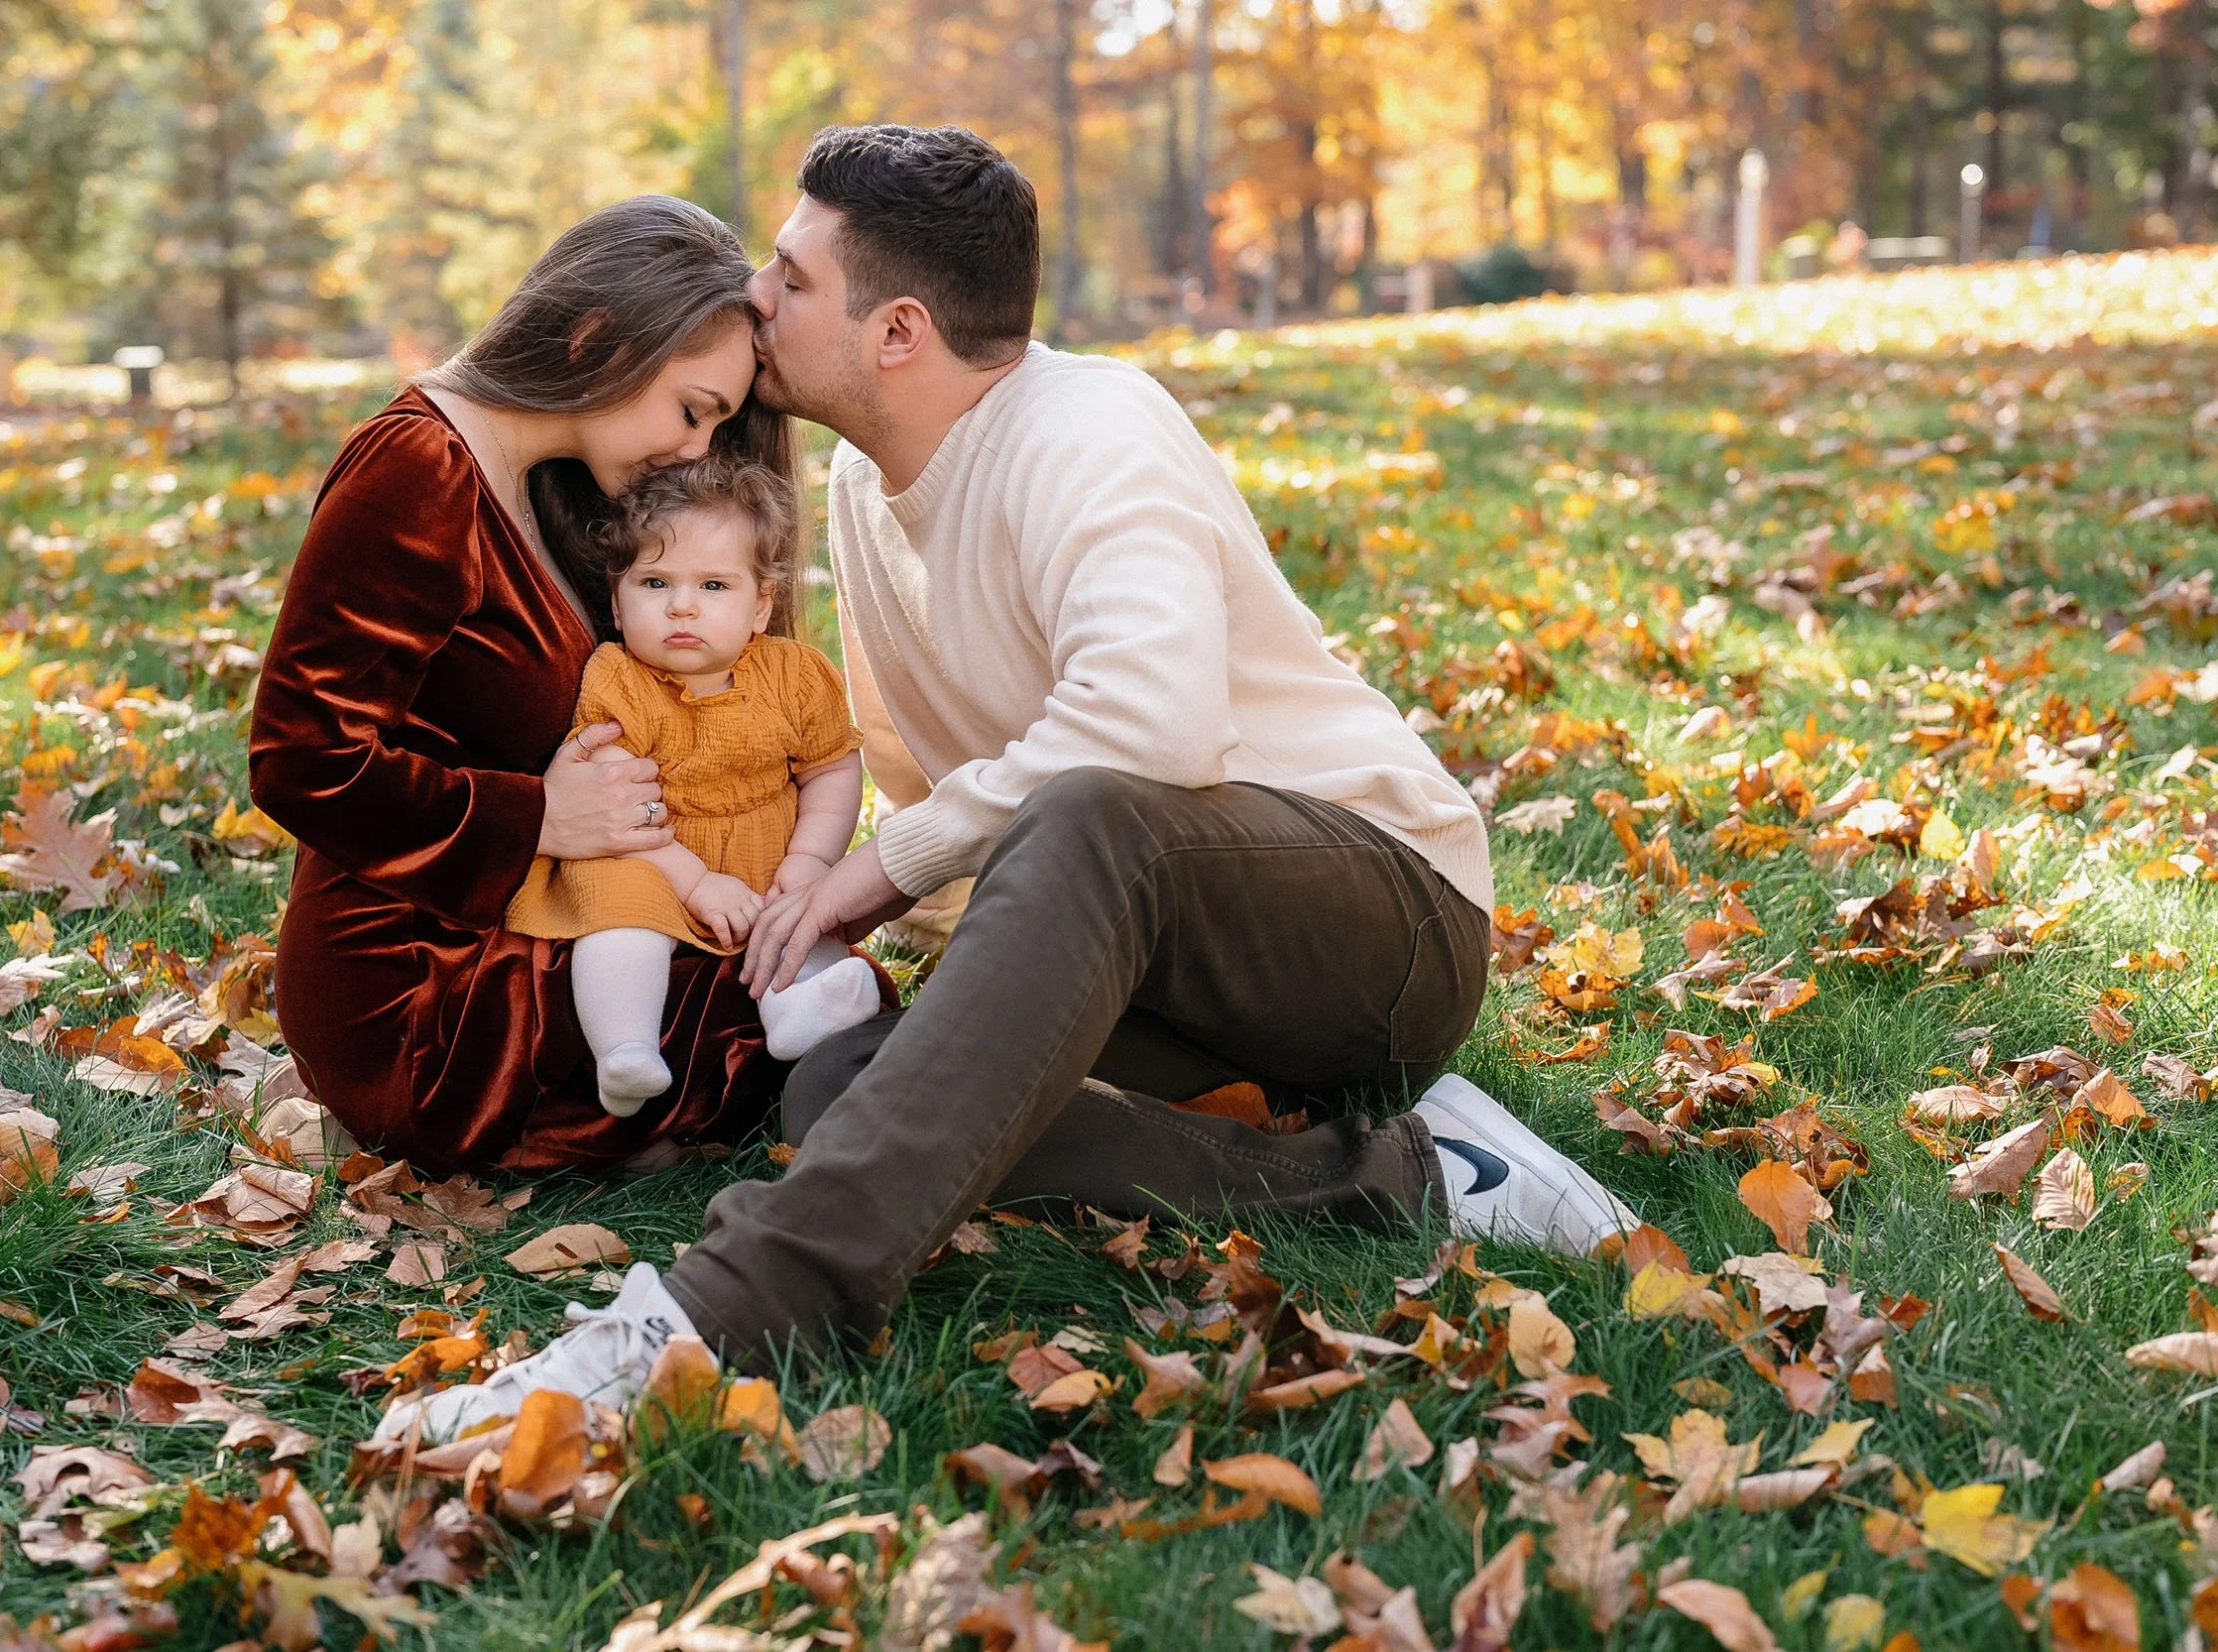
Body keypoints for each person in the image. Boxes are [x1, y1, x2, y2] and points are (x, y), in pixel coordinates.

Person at [375, 127, 1636, 1443]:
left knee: (1091, 805)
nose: (756, 295)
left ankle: (716, 1317)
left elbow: (1152, 728)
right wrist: (855, 942)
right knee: (850, 1084)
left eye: (794, 277)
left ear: (899, 330)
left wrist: (883, 864)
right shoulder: (868, 481)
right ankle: (1418, 1175)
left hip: (1378, 921)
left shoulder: (1089, 428)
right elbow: (920, 771)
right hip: (1150, 952)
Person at [248, 195, 858, 1175]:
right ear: (596, 337)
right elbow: (300, 763)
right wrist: (534, 816)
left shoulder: (556, 484)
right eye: (692, 410)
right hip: (417, 975)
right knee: (784, 1022)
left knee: (814, 985)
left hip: (544, 914)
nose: (698, 450)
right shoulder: (415, 468)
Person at [505, 455, 886, 1116]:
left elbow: (830, 767)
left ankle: (803, 1007)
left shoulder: (796, 674)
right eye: (655, 582)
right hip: (650, 852)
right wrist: (693, 880)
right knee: (619, 910)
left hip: (765, 851)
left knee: (797, 910)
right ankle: (624, 1048)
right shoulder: (617, 680)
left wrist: (811, 859)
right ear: (618, 605)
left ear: (761, 604)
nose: (682, 605)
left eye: (714, 586)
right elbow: (618, 806)